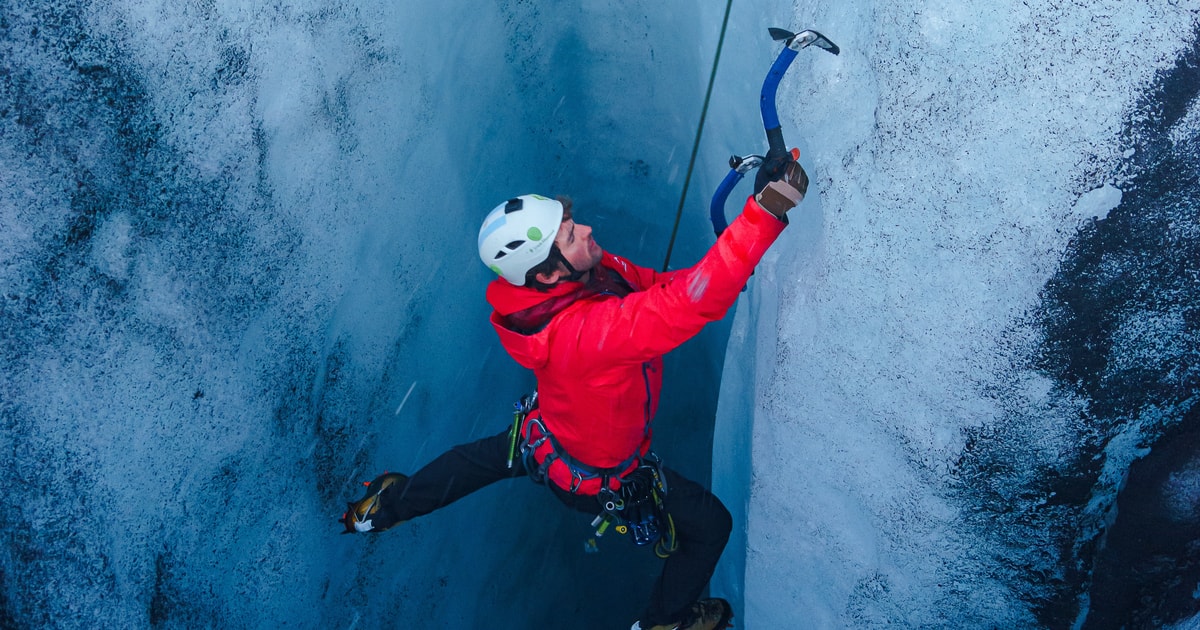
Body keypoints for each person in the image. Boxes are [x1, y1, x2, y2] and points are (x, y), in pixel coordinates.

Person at [342, 158, 809, 630]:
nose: (584, 229)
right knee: (711, 527)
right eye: (569, 235)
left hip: (547, 430)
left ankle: (389, 507)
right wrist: (765, 213)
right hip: (598, 475)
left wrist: (732, 262)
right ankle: (663, 622)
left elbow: (662, 288)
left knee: (478, 462)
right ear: (546, 275)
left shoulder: (587, 273)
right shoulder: (584, 334)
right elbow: (684, 304)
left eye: (569, 222)